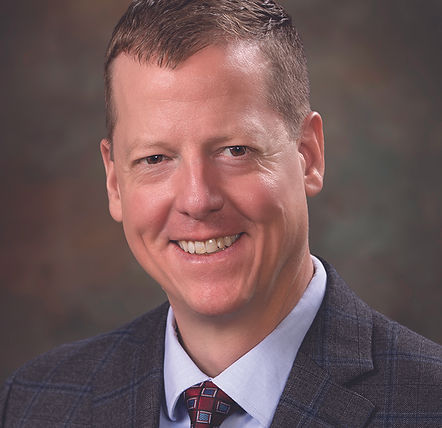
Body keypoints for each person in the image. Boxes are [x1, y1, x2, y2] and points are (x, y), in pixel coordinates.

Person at [1, 0, 441, 426]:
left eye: (235, 150)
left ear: (308, 155)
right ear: (115, 181)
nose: (197, 200)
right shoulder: (32, 404)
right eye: (155, 158)